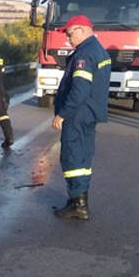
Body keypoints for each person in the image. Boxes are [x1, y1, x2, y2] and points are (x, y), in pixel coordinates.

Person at [51, 15, 110, 220]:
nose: (68, 39)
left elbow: (79, 90)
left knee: (72, 156)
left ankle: (78, 204)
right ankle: (79, 199)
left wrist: (62, 114)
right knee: (83, 157)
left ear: (83, 29)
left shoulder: (84, 54)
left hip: (78, 114)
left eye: (70, 33)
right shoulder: (97, 50)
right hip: (89, 113)